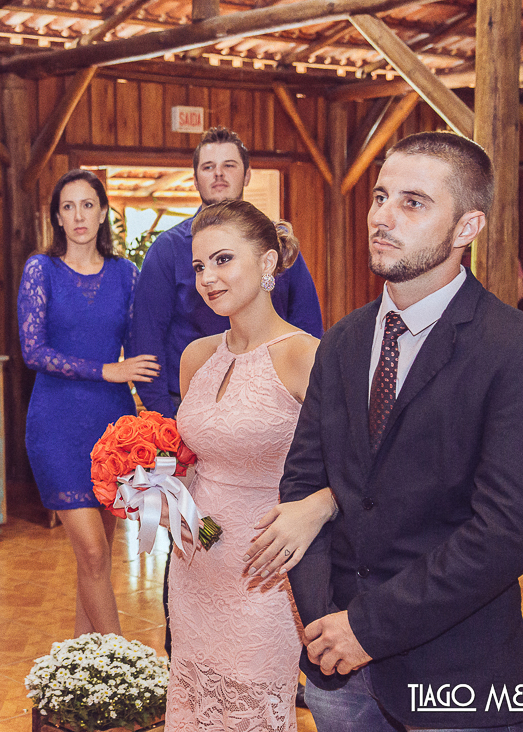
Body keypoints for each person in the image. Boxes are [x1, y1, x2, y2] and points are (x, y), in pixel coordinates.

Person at [281, 132, 523, 731]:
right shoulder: (343, 340)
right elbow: (303, 481)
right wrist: (323, 619)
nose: (383, 217)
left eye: (413, 203)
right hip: (334, 664)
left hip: (457, 673)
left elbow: (509, 531)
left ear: (467, 227)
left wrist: (369, 627)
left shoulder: (520, 353)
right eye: (381, 196)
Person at [165, 200, 332, 731]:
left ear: (266, 263)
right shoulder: (197, 356)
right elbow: (193, 461)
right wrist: (155, 494)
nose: (208, 278)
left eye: (222, 260)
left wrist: (318, 508)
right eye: (198, 267)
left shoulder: (304, 356)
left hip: (265, 570)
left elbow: (362, 466)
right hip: (194, 563)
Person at [17, 169, 159, 636]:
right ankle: (123, 668)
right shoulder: (42, 270)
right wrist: (107, 370)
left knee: (96, 558)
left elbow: (144, 343)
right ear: (57, 217)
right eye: (68, 207)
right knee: (93, 553)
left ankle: (85, 674)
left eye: (88, 205)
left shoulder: (126, 274)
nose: (78, 216)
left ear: (103, 213)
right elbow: (33, 351)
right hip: (56, 425)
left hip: (112, 426)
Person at [129, 126, 324, 419]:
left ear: (247, 174)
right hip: (187, 400)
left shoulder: (273, 243)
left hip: (274, 398)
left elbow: (307, 323)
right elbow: (146, 340)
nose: (218, 174)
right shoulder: (167, 248)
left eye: (229, 165)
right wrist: (167, 421)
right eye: (208, 167)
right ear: (195, 180)